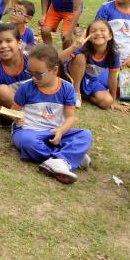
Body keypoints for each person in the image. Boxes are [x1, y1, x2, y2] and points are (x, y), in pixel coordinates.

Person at [8, 44, 92, 184]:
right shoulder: (26, 88)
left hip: (54, 132)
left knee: (85, 135)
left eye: (38, 74)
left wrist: (61, 130)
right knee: (27, 142)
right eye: (30, 73)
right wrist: (16, 118)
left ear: (54, 70)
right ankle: (67, 158)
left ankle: (62, 160)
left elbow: (71, 117)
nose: (34, 78)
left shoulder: (67, 88)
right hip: (29, 130)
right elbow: (13, 110)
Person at [66, 20, 121, 110]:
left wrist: (113, 100)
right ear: (89, 37)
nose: (98, 33)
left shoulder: (113, 55)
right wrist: (73, 47)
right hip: (72, 77)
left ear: (110, 36)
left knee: (107, 101)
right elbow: (59, 60)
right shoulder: (82, 48)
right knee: (80, 57)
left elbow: (112, 79)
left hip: (91, 80)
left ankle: (84, 96)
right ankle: (76, 93)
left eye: (102, 30)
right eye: (93, 31)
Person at [0, 24, 32, 113]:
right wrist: (13, 116)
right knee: (1, 90)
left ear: (19, 43)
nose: (3, 45)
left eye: (8, 41)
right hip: (18, 111)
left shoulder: (31, 59)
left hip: (40, 102)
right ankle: (30, 119)